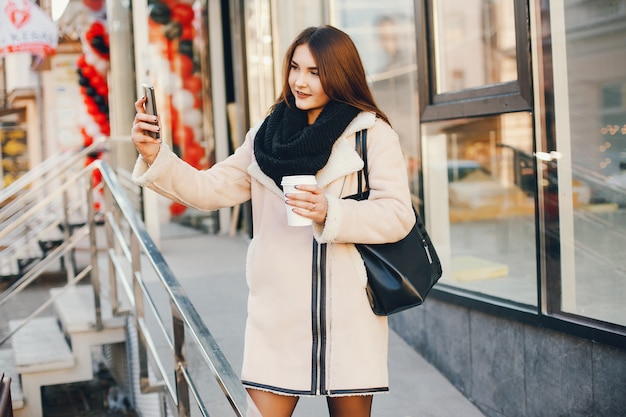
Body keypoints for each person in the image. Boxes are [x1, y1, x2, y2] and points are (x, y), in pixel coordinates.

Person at [131, 25, 414, 417]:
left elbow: (398, 215)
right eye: (295, 68)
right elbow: (209, 188)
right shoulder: (266, 137)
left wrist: (330, 211)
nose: (299, 81)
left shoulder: (370, 135)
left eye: (315, 72)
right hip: (276, 317)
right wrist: (154, 154)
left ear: (340, 74)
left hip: (348, 318)